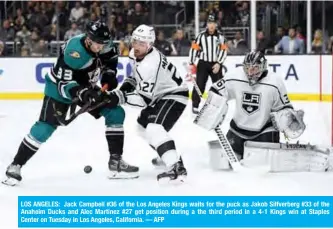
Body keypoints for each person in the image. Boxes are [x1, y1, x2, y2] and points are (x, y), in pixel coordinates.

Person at [3, 21, 139, 186]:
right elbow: (64, 84)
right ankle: (16, 165)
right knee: (45, 127)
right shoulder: (73, 52)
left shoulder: (105, 43)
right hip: (59, 88)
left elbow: (110, 59)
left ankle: (115, 162)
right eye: (98, 44)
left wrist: (109, 74)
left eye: (104, 44)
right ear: (88, 40)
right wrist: (83, 94)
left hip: (86, 85)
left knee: (115, 112)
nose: (101, 47)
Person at [194, 51, 307, 169]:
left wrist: (289, 118)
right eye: (247, 68)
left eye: (255, 68)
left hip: (264, 131)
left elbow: (284, 108)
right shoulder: (235, 76)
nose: (250, 72)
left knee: (263, 169)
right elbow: (217, 90)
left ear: (263, 67)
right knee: (224, 165)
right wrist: (212, 108)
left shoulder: (275, 83)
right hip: (237, 130)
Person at [119, 24, 189, 182]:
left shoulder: (150, 64)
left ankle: (176, 167)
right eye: (135, 41)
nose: (136, 46)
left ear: (149, 45)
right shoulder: (134, 53)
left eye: (141, 43)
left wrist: (120, 98)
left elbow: (143, 100)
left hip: (174, 94)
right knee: (141, 127)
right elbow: (133, 77)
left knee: (154, 128)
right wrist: (123, 89)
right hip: (159, 95)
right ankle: (168, 156)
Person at [189, 14, 227, 114]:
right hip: (203, 63)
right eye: (209, 23)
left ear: (216, 24)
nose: (211, 25)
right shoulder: (200, 36)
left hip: (216, 64)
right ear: (206, 24)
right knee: (200, 84)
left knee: (219, 85)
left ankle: (218, 105)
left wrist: (219, 63)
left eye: (213, 23)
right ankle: (195, 105)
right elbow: (194, 49)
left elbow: (223, 51)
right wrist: (191, 62)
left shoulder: (220, 37)